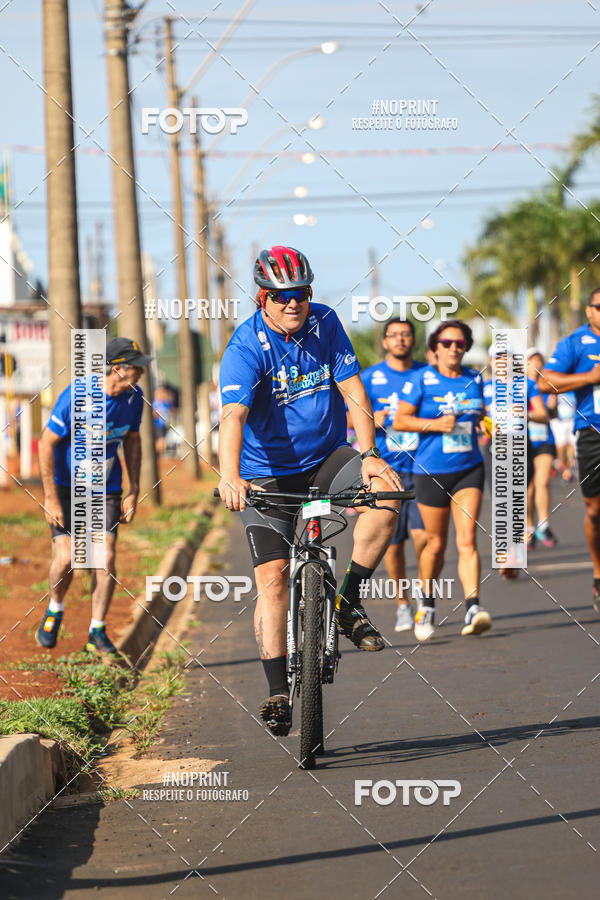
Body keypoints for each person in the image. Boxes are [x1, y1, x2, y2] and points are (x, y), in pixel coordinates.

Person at [217, 245, 403, 735]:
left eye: (300, 294)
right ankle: (278, 689)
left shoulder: (326, 324)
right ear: (262, 298)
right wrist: (229, 476)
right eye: (281, 297)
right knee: (274, 578)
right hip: (266, 472)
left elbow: (354, 392)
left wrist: (368, 455)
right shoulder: (246, 347)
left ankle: (346, 603)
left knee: (385, 496)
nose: (292, 304)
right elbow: (232, 418)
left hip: (324, 458)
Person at [36, 337, 150, 654]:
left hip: (106, 488)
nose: (141, 374)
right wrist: (51, 498)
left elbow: (133, 441)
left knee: (106, 557)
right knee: (67, 557)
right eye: (136, 368)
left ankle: (96, 630)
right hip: (66, 486)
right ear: (117, 369)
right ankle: (55, 608)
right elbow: (46, 443)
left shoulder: (134, 398)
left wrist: (134, 489)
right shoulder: (78, 394)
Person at [393, 320, 491, 641]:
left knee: (467, 540)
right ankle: (427, 604)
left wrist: (489, 424)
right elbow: (400, 420)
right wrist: (435, 425)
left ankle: (473, 607)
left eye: (460, 344)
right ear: (435, 349)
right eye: (447, 343)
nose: (453, 348)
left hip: (469, 467)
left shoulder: (474, 379)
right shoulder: (421, 380)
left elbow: (482, 415)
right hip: (431, 470)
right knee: (435, 544)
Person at [357, 318, 426, 632]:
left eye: (406, 334)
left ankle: (426, 598)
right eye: (394, 335)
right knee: (394, 545)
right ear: (385, 342)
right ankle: (402, 603)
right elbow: (351, 414)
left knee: (426, 538)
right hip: (388, 471)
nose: (400, 340)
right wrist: (376, 418)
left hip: (423, 467)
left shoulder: (425, 374)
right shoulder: (369, 378)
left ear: (413, 340)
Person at [540, 288, 600, 612]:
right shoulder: (574, 343)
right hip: (592, 432)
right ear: (589, 311)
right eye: (599, 307)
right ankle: (598, 574)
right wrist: (589, 377)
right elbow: (545, 381)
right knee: (594, 510)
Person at [525, 348, 557, 548]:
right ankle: (529, 528)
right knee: (528, 488)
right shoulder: (517, 387)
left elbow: (552, 416)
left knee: (542, 481)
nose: (536, 365)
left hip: (545, 440)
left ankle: (543, 524)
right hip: (525, 441)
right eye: (531, 361)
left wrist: (552, 409)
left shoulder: (548, 386)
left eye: (539, 361)